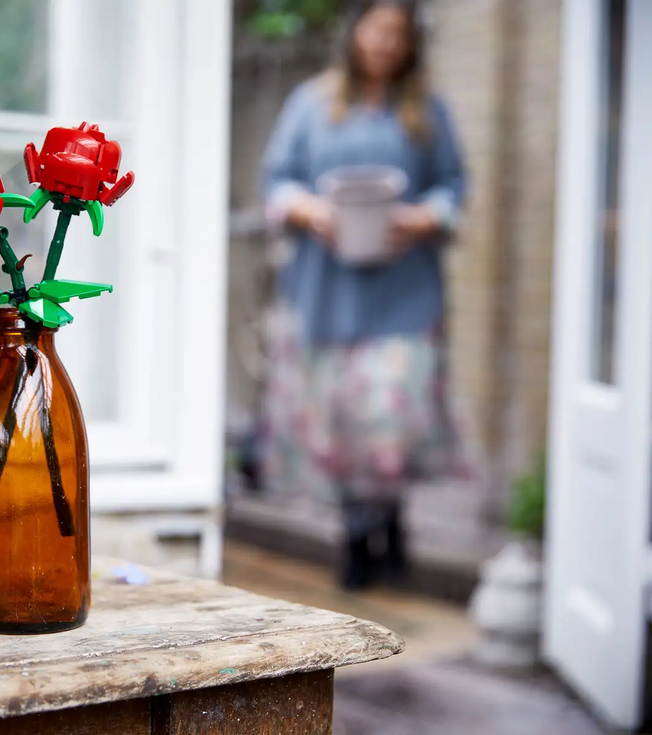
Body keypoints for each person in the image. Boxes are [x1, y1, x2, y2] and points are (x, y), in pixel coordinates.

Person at [260, 0, 467, 589]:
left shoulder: (428, 110)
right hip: (329, 290)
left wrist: (420, 219)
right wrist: (310, 210)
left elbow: (455, 186)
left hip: (404, 292)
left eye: (398, 35)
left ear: (410, 44)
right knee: (343, 417)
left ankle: (391, 518)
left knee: (390, 412)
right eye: (379, 31)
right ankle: (356, 532)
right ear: (357, 35)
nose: (387, 45)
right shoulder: (311, 103)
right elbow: (275, 180)